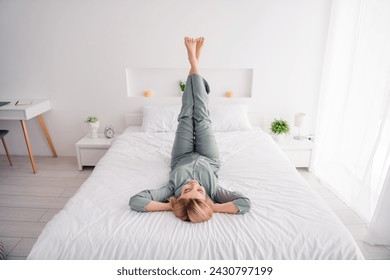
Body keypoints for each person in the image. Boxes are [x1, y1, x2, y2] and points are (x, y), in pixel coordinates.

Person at [129, 37, 251, 223]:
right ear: (207, 197)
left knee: (186, 115)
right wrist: (213, 207)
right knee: (201, 116)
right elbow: (244, 203)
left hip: (181, 157)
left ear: (178, 196)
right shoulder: (215, 192)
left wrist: (171, 205)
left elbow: (136, 201)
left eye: (186, 190)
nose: (194, 184)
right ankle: (194, 61)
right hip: (209, 158)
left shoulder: (170, 190)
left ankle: (194, 62)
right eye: (200, 191)